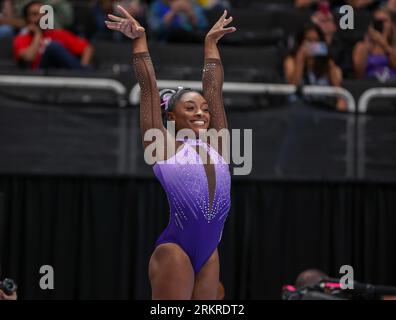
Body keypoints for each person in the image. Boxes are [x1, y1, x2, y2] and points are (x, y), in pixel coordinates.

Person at [105, 5, 235, 299]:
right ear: (171, 118)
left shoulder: (219, 144)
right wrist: (139, 40)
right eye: (190, 107)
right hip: (175, 251)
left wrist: (210, 45)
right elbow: (149, 89)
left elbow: (213, 90)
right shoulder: (162, 145)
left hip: (209, 252)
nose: (202, 113)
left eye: (203, 109)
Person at [13, 1, 94, 70]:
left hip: (63, 75)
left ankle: (82, 73)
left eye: (43, 14)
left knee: (54, 46)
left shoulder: (58, 34)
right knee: (53, 46)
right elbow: (28, 58)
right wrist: (38, 34)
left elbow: (87, 48)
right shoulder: (22, 38)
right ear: (27, 18)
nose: (40, 17)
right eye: (34, 14)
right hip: (38, 77)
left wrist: (83, 66)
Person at [283, 23, 346, 110]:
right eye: (309, 40)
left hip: (322, 108)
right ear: (301, 41)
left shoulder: (327, 63)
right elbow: (293, 87)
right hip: (298, 109)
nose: (313, 44)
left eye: (316, 41)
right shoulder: (291, 61)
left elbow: (339, 92)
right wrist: (300, 59)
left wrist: (341, 103)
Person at [353, 8, 396, 80]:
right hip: (369, 86)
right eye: (378, 21)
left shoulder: (393, 46)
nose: (381, 25)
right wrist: (366, 47)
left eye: (384, 21)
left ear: (392, 24)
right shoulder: (362, 46)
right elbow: (358, 74)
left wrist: (385, 45)